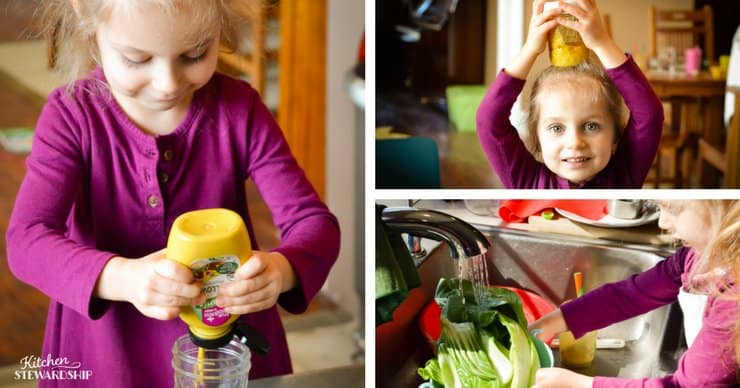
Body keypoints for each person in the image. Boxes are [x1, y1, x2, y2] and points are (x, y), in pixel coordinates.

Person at [6, 1, 340, 387]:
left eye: (195, 54)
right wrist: (124, 278)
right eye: (136, 59)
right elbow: (27, 241)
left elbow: (315, 224)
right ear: (88, 19)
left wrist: (282, 271)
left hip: (225, 355)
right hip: (104, 355)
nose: (168, 83)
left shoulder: (240, 110)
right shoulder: (71, 117)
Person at [530, 200, 740, 387]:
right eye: (660, 207)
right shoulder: (695, 257)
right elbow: (626, 297)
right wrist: (545, 326)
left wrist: (579, 384)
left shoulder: (734, 297)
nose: (662, 223)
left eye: (673, 209)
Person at [476, 0, 663, 188]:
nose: (575, 143)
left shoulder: (625, 173)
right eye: (557, 128)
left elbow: (649, 114)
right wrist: (530, 49)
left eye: (591, 126)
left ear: (615, 136)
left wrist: (601, 43)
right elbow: (489, 120)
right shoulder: (527, 180)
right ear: (537, 138)